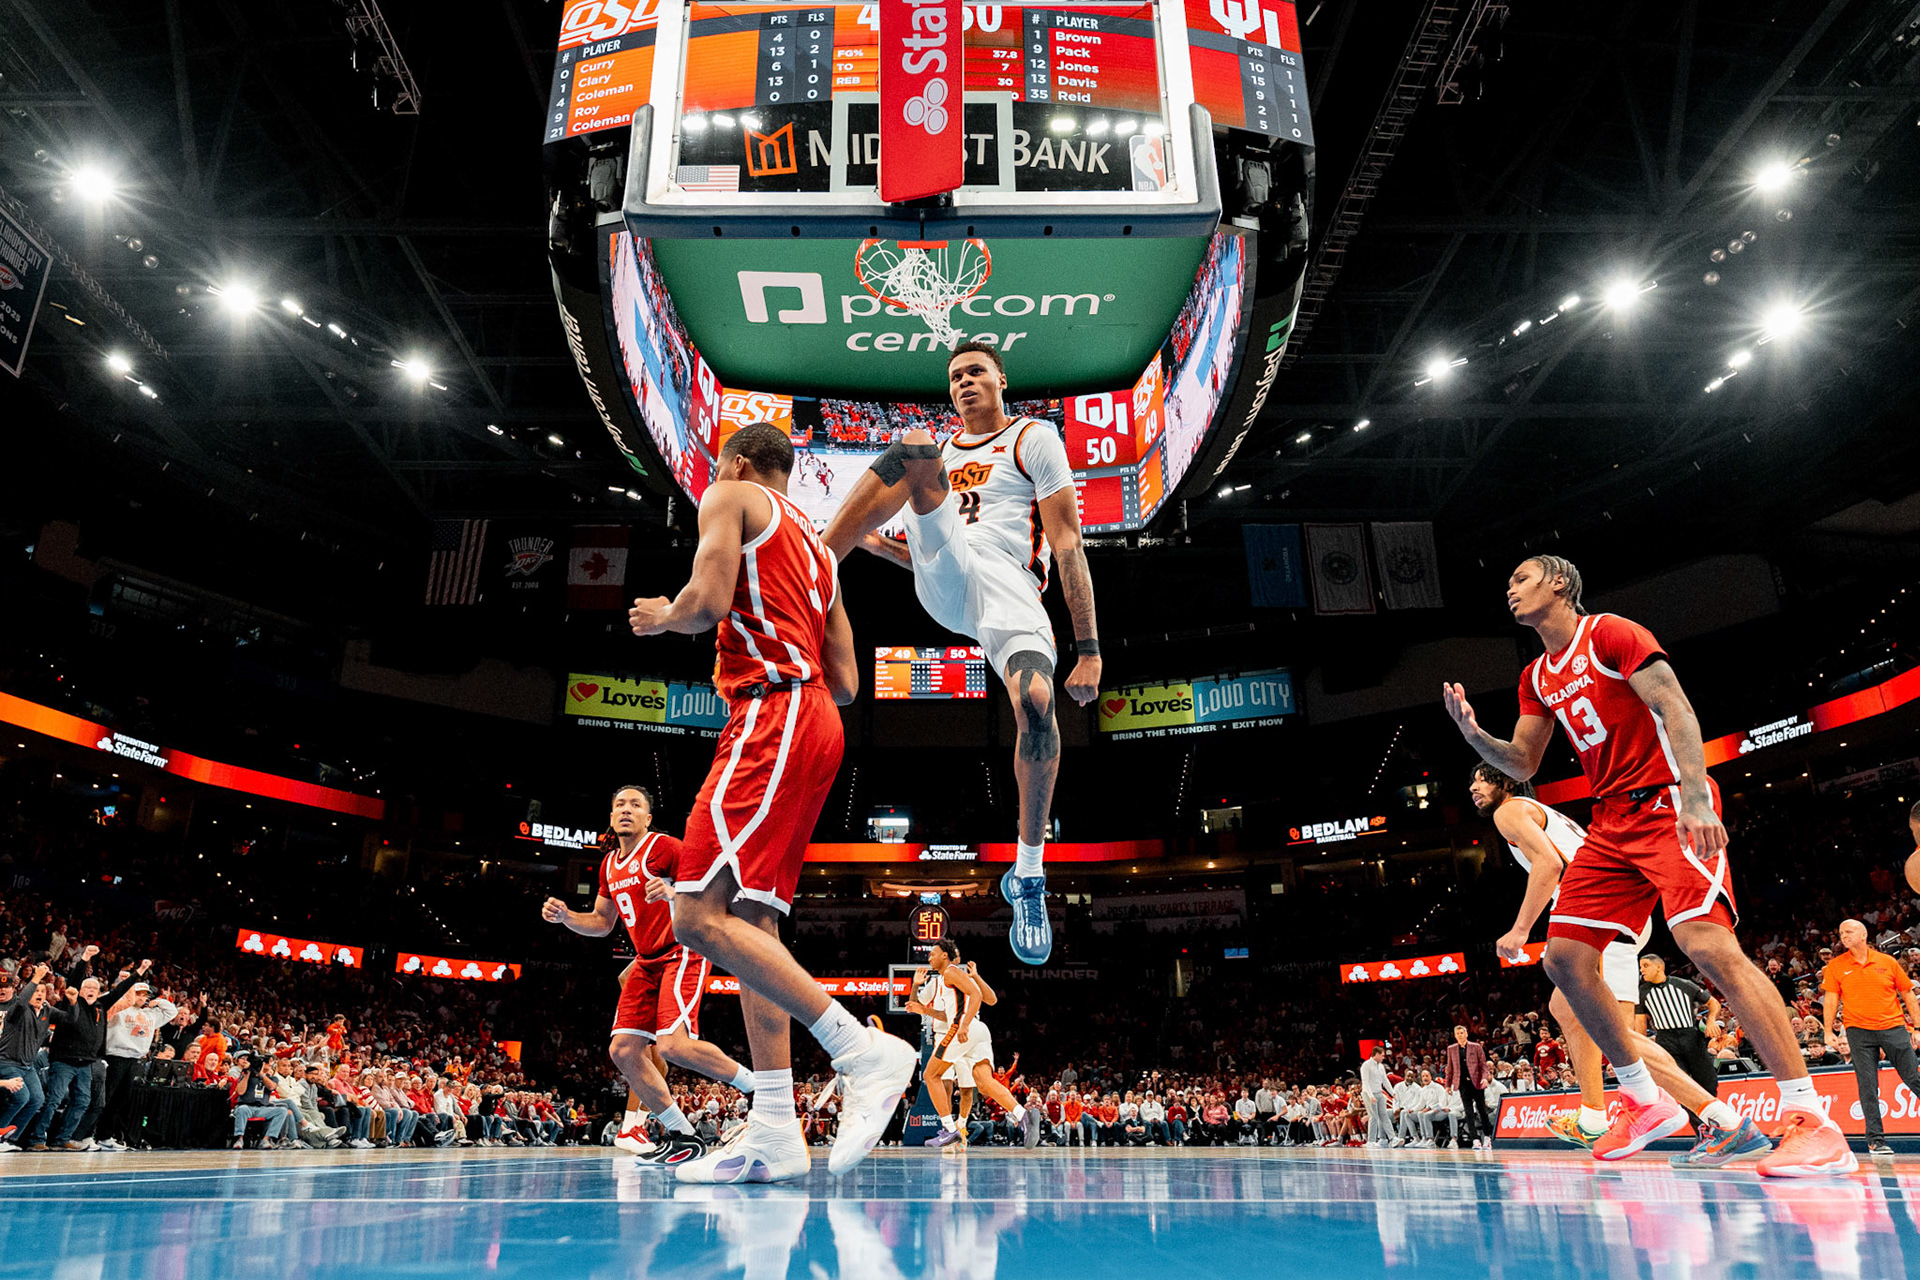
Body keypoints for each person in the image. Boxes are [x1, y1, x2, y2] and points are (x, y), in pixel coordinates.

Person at [1444, 554, 1844, 1174]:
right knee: (1563, 961)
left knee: (1707, 945)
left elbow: (1675, 707)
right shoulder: (1535, 676)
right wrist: (1474, 735)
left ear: (1559, 582)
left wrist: (1695, 796)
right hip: (1610, 823)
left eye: (1521, 578)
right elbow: (1522, 762)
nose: (1510, 589)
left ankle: (1812, 1118)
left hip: (1665, 802)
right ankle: (1645, 1099)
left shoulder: (1611, 632)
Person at [629, 422, 917, 1183]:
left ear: (737, 463)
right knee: (751, 924)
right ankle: (775, 1131)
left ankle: (861, 1049)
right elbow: (848, 683)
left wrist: (666, 616)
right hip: (816, 722)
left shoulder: (728, 495)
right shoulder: (823, 555)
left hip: (771, 716)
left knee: (693, 915)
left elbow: (704, 602)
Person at [821, 342, 1102, 965]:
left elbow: (1067, 543)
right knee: (915, 448)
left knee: (1036, 702)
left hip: (1010, 586)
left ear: (1002, 378)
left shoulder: (1033, 437)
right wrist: (870, 543)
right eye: (955, 376)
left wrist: (1088, 648)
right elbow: (924, 552)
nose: (964, 382)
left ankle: (1029, 873)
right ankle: (813, 560)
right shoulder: (943, 455)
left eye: (976, 371)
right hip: (947, 575)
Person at [1473, 764, 1748, 1154]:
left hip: (1599, 915)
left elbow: (1550, 865)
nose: (1473, 787)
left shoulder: (1510, 810)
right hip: (1609, 913)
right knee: (1567, 1010)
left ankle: (1720, 1119)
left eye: (1481, 779)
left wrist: (1520, 930)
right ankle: (1593, 1117)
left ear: (1506, 781)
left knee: (1617, 1035)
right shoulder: (1544, 814)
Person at [541, 784, 757, 1168]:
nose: (626, 809)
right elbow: (602, 923)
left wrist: (674, 891)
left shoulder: (665, 847)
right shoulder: (609, 865)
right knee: (622, 1050)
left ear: (648, 818)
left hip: (681, 951)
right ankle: (682, 1134)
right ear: (611, 817)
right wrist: (567, 917)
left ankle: (759, 1089)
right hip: (646, 960)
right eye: (619, 804)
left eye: (635, 804)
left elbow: (716, 886)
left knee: (673, 1047)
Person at [909, 940, 1038, 1149]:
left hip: (961, 1029)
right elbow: (972, 1003)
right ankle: (1023, 1115)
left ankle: (950, 1129)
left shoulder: (951, 972)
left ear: (945, 956)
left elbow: (979, 995)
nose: (929, 957)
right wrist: (924, 1009)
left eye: (933, 953)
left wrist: (964, 1025)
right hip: (978, 1031)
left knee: (930, 1075)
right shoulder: (949, 978)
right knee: (984, 1083)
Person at [26, 959, 148, 1151]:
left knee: (82, 1101)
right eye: (87, 987)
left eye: (94, 988)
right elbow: (74, 981)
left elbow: (119, 991)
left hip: (86, 1063)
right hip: (64, 1061)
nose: (91, 989)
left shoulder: (101, 1005)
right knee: (53, 1100)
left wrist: (139, 972)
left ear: (98, 992)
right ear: (79, 990)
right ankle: (37, 1139)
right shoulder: (70, 1002)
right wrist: (85, 959)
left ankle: (63, 1138)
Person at [1822, 918, 1920, 1157]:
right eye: (1841, 933)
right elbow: (1831, 999)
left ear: (1863, 935)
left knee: (1913, 1077)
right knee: (1867, 1087)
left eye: (1849, 931)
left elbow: (1907, 994)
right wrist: (1827, 1031)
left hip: (1893, 1028)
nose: (1844, 936)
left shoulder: (1888, 962)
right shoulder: (1835, 966)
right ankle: (1876, 1141)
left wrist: (1917, 1027)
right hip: (1858, 1032)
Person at [1634, 955, 1727, 1136]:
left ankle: (1715, 1125)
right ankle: (1703, 1133)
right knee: (1681, 1087)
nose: (1642, 970)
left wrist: (1711, 1021)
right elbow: (1640, 1025)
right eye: (1641, 966)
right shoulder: (1642, 993)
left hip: (1691, 1036)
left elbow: (1713, 1003)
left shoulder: (1683, 984)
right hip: (1666, 1041)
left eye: (1645, 965)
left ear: (1659, 967)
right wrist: (1642, 1049)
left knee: (1709, 1082)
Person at [1442, 1026, 1493, 1150]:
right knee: (1468, 1112)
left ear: (1466, 1034)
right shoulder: (1451, 1049)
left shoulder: (1476, 1047)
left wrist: (1485, 1078)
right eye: (1457, 1033)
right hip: (1462, 1084)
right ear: (1455, 1036)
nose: (1460, 1035)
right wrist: (1448, 1085)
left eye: (1462, 1033)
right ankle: (1475, 1139)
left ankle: (1487, 1137)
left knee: (1482, 1110)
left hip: (1477, 1082)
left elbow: (1483, 1065)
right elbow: (1450, 1068)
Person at [1359, 1044, 1392, 1147]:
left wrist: (1393, 1093)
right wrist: (1370, 1096)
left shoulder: (1381, 1066)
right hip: (1369, 1093)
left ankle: (1392, 1138)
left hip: (1379, 1092)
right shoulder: (1366, 1065)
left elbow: (1385, 1081)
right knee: (1373, 1116)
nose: (1383, 1057)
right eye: (1382, 1055)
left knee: (1384, 1115)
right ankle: (1371, 1141)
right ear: (1377, 1054)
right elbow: (1365, 1082)